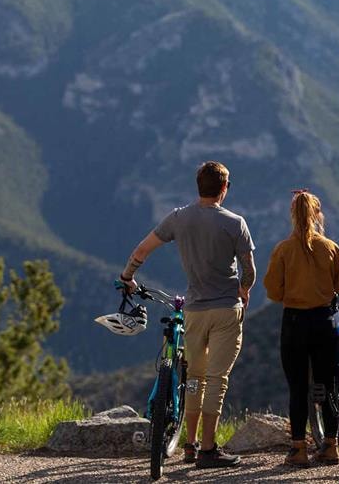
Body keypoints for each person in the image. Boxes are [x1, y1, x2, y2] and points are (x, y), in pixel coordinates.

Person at [119, 161, 255, 468]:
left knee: (193, 378)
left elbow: (142, 250)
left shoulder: (178, 218)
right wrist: (244, 292)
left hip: (194, 310)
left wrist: (128, 277)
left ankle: (190, 444)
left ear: (199, 186)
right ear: (223, 189)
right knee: (216, 379)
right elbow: (250, 271)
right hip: (226, 310)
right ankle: (209, 449)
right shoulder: (236, 223)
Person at [263, 189, 339, 467]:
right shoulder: (330, 248)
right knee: (331, 385)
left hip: (295, 323)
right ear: (317, 215)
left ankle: (298, 449)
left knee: (297, 387)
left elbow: (273, 291)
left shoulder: (283, 250)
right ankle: (331, 447)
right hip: (325, 322)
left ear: (292, 217)